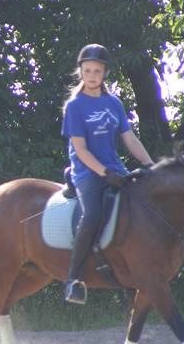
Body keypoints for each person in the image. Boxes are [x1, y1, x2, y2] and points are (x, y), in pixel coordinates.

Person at [61, 44, 154, 304]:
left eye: (97, 71)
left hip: (115, 169)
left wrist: (149, 165)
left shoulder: (114, 103)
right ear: (81, 72)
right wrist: (104, 173)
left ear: (105, 74)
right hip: (87, 173)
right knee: (92, 215)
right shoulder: (75, 106)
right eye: (87, 70)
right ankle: (73, 280)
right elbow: (80, 150)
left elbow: (129, 138)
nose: (92, 75)